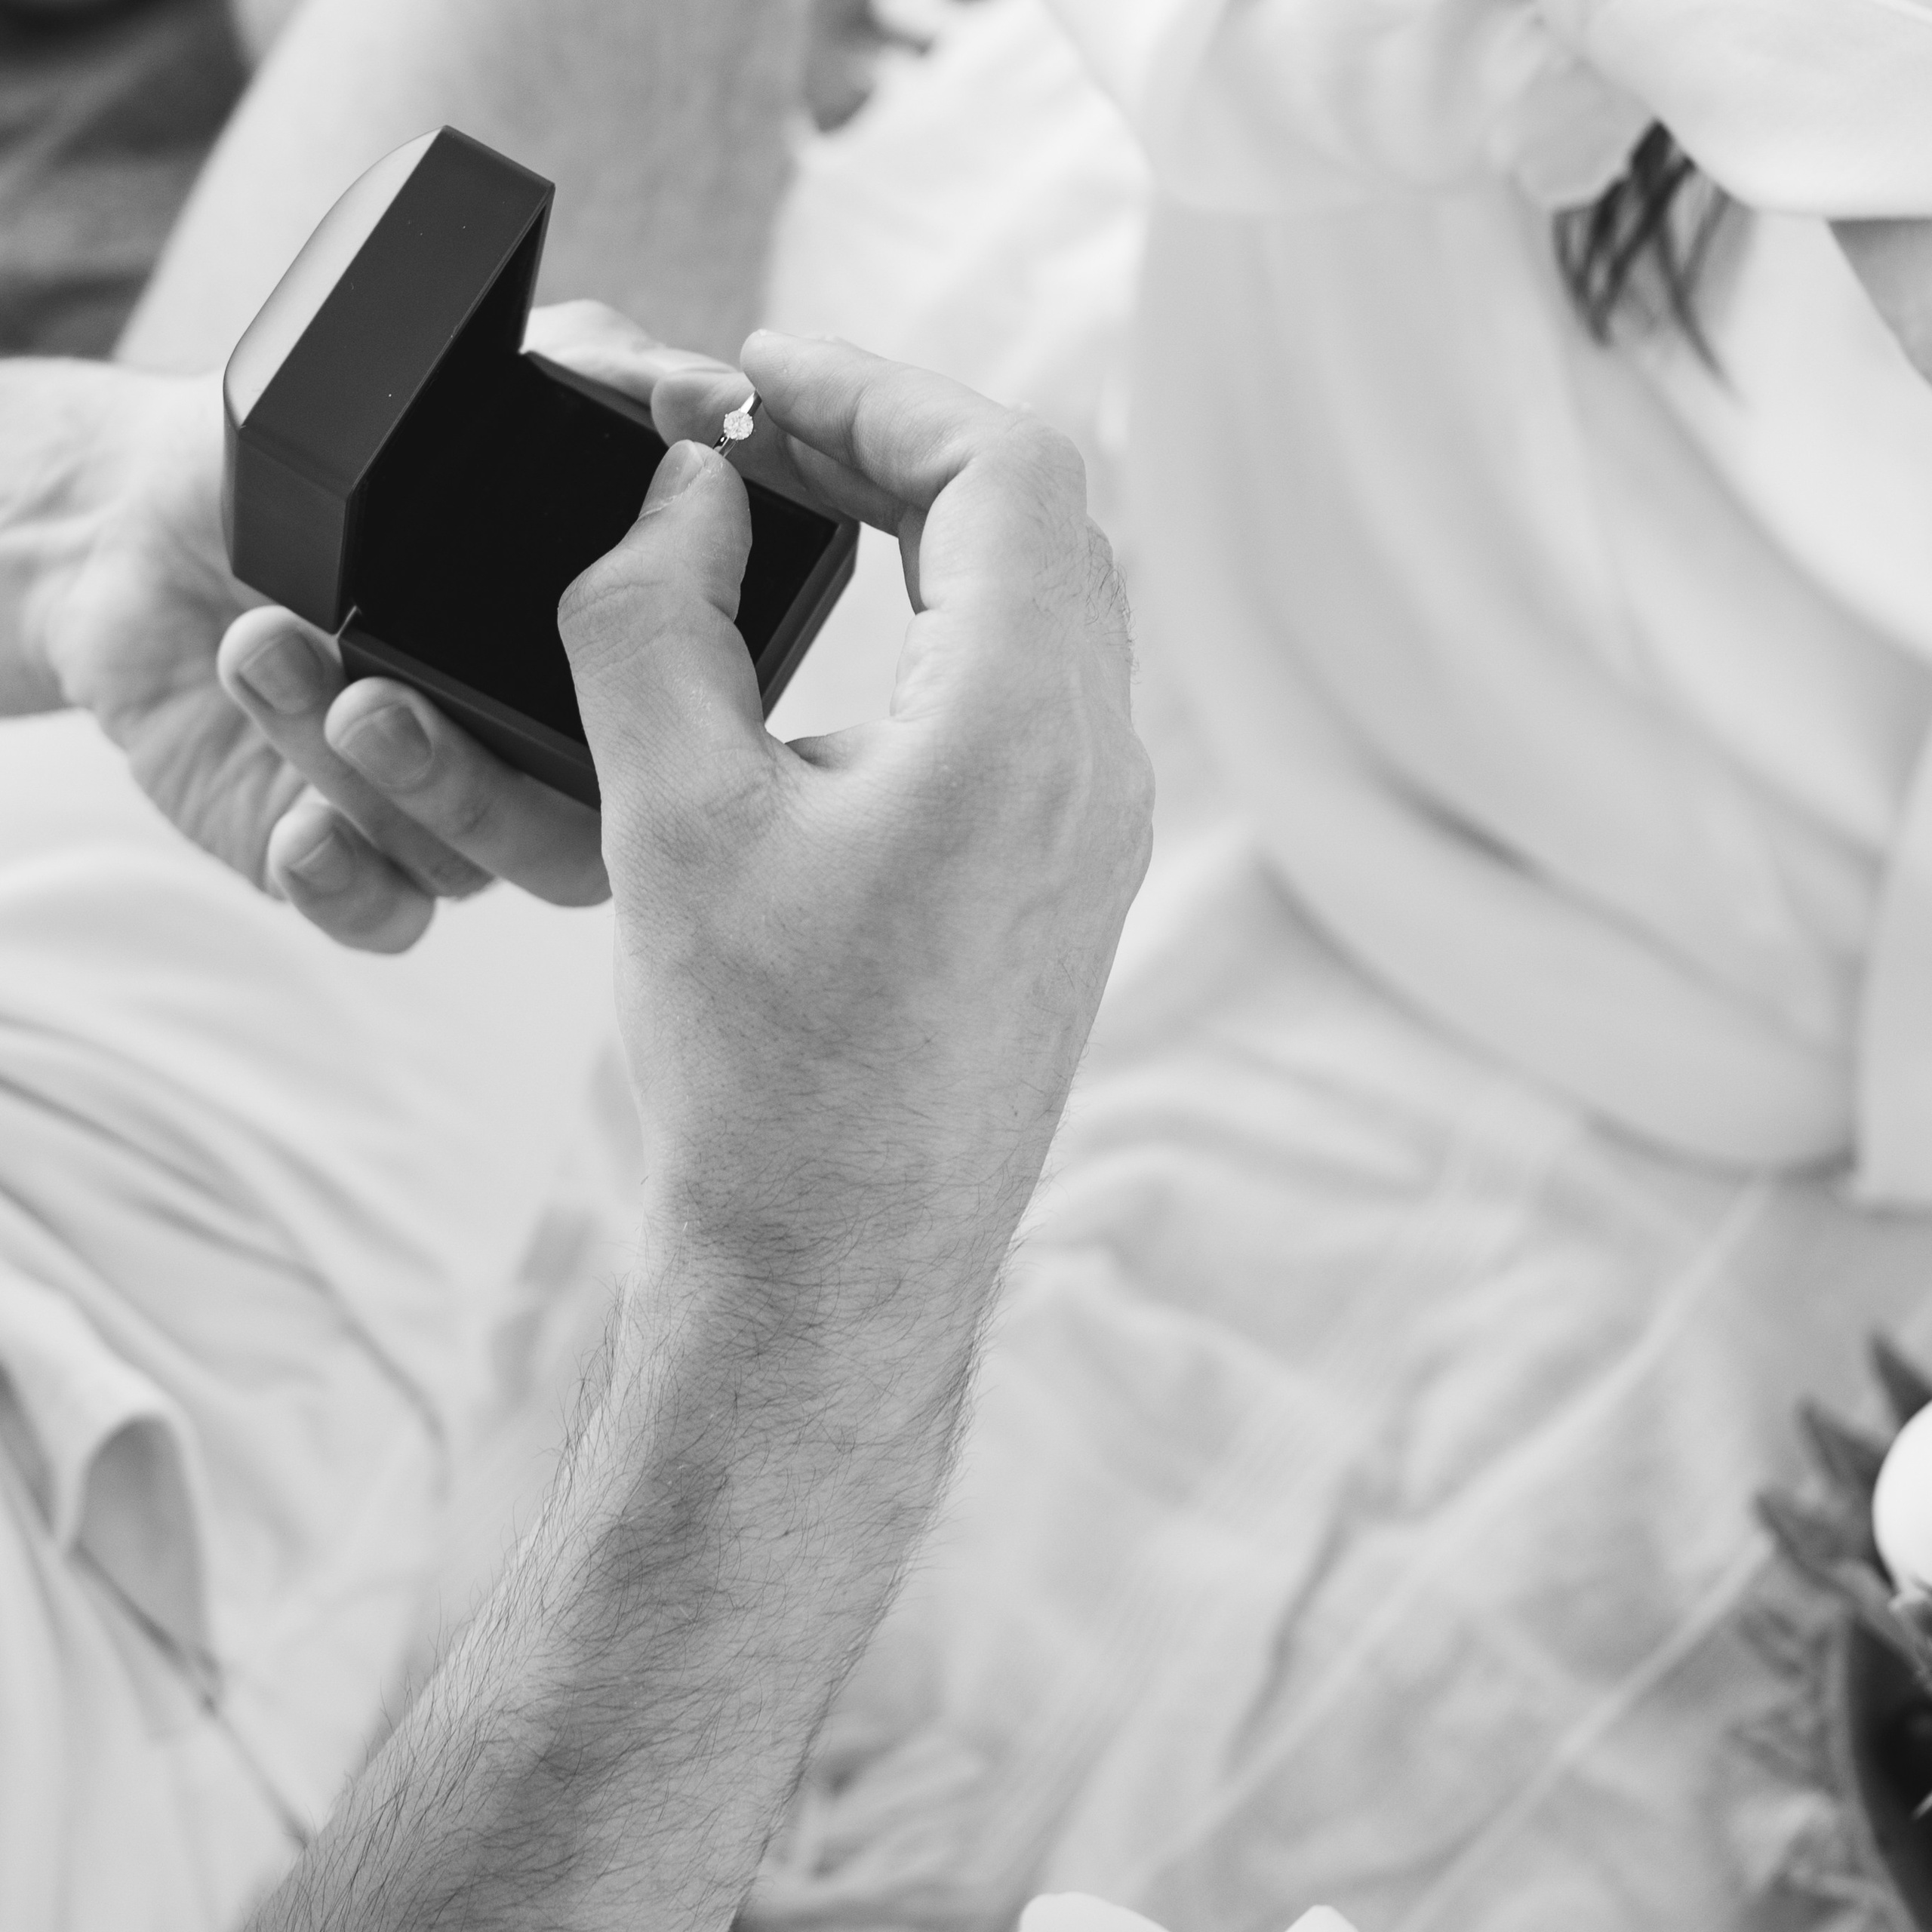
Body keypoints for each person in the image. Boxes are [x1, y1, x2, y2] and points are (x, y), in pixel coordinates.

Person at [0, 328, 1153, 1927]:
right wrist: (819, 1263)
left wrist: (70, 515)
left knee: (550, 249)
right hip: (157, 1565)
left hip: (54, 1077)